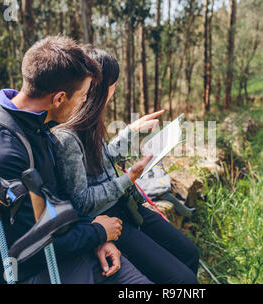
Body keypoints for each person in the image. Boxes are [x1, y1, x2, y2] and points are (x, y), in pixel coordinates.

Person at [0, 36, 151, 284]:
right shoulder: (0, 151)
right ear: (58, 99)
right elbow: (28, 246)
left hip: (63, 247)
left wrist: (96, 237)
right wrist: (97, 232)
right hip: (24, 272)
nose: (84, 103)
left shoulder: (35, 128)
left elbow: (56, 204)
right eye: (83, 96)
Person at [52, 47, 199, 284]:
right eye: (113, 83)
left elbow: (100, 163)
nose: (115, 88)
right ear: (98, 86)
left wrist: (130, 132)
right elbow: (81, 200)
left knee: (189, 253)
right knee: (183, 280)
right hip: (108, 219)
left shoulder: (89, 121)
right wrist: (128, 178)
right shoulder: (67, 135)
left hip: (126, 206)